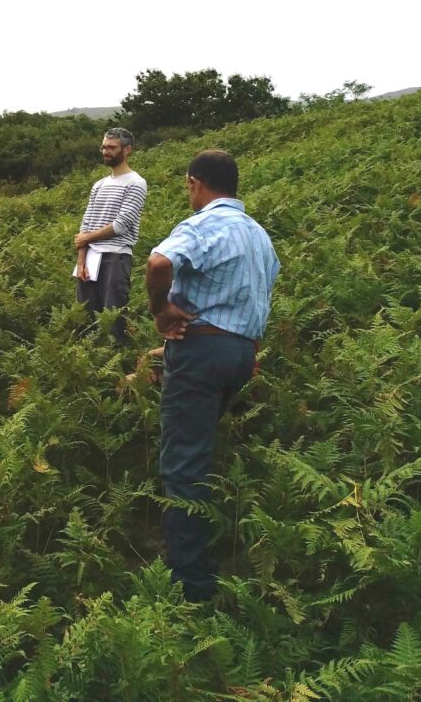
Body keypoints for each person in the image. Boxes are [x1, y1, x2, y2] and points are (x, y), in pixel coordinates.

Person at [145, 150, 279, 602]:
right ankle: (196, 552)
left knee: (184, 464)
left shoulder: (205, 223)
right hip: (241, 352)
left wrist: (160, 312)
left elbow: (158, 263)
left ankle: (190, 584)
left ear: (195, 183)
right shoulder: (259, 236)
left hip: (201, 351)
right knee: (198, 453)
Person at [73, 127, 148, 344]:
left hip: (116, 257)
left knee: (113, 318)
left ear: (127, 150)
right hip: (90, 259)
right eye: (104, 147)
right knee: (85, 318)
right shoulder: (99, 185)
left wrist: (87, 238)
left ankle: (115, 368)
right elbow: (85, 224)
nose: (106, 151)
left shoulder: (136, 183)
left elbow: (122, 224)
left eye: (112, 147)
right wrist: (81, 261)